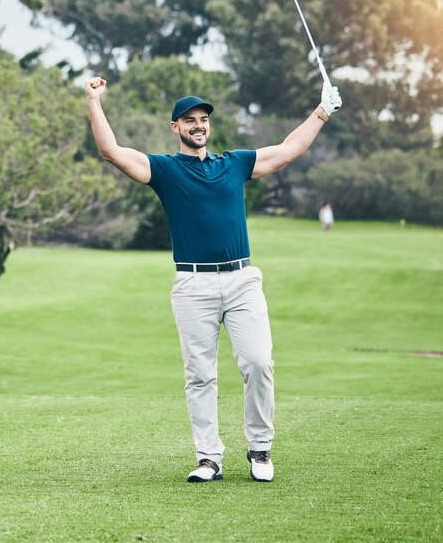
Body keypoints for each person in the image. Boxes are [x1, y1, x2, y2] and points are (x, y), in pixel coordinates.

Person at [86, 79, 342, 483]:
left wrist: (322, 111)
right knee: (200, 375)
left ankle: (260, 448)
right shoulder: (165, 170)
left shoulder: (234, 163)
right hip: (193, 286)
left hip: (242, 280)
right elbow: (111, 152)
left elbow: (287, 150)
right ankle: (209, 458)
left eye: (203, 119)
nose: (198, 125)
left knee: (259, 363)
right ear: (176, 127)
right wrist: (93, 101)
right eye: (190, 120)